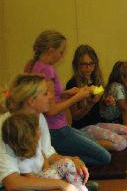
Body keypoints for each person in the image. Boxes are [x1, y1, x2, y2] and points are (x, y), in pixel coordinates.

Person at [1, 114, 108, 191]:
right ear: (27, 137)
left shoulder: (36, 144)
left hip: (47, 176)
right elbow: (33, 182)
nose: (39, 130)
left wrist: (54, 174)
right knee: (50, 175)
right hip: (39, 183)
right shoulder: (22, 160)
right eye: (36, 129)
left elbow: (45, 162)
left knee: (66, 162)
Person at [26, 30, 111, 165]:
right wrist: (77, 97)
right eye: (61, 52)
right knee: (104, 157)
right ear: (51, 50)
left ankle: (57, 155)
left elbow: (47, 97)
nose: (62, 56)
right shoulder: (46, 70)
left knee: (94, 145)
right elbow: (51, 110)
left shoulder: (36, 66)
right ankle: (58, 158)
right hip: (56, 129)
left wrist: (68, 92)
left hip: (57, 126)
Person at [67, 45, 127, 151]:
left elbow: (99, 106)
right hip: (83, 128)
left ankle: (94, 142)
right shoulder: (72, 84)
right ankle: (83, 143)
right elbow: (76, 117)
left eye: (91, 63)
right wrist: (90, 103)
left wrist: (106, 102)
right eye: (84, 64)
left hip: (97, 123)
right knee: (121, 143)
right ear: (76, 65)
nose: (88, 67)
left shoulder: (95, 80)